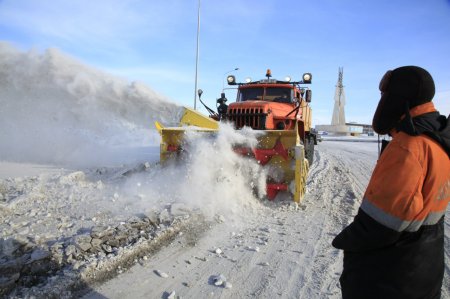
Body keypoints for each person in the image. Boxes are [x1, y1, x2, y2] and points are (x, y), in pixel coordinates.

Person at [332, 66, 450, 299]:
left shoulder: (408, 146)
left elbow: (382, 224)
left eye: (386, 95)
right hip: (424, 267)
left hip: (390, 278)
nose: (382, 102)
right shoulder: (436, 139)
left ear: (400, 96)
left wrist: (347, 242)